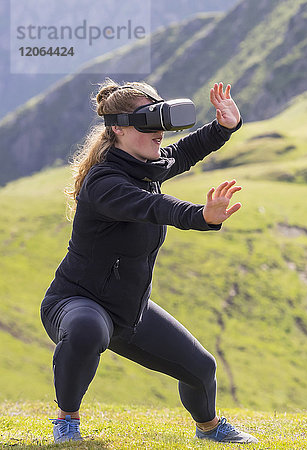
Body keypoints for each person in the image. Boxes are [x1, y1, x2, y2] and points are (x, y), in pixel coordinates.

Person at [40, 78, 258, 444]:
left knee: (202, 368)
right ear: (119, 129)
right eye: (148, 121)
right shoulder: (105, 181)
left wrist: (224, 126)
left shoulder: (145, 167)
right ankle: (67, 421)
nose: (159, 131)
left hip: (129, 311)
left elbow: (185, 152)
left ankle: (209, 428)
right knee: (87, 330)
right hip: (76, 303)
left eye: (161, 119)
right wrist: (201, 216)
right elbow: (153, 207)